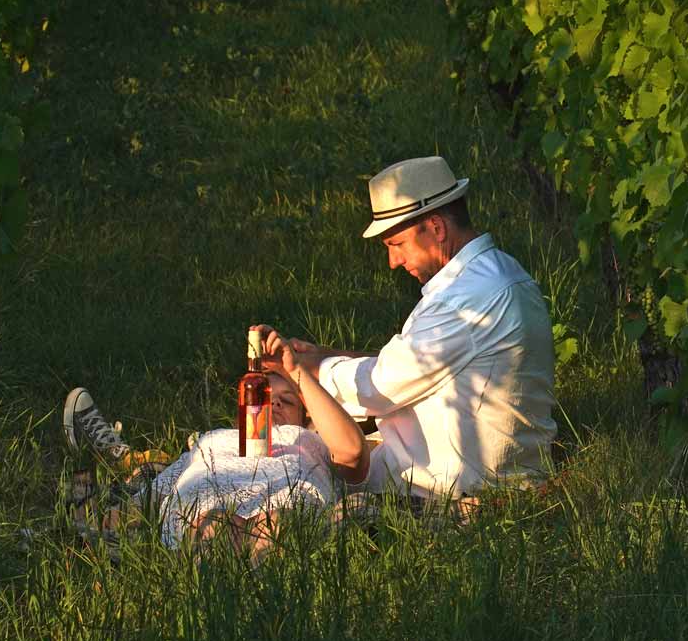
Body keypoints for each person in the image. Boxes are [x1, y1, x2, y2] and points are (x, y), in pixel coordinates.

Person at [257, 155, 557, 503]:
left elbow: (378, 388)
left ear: (436, 228)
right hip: (501, 470)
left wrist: (307, 369)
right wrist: (330, 355)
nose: (393, 262)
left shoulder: (462, 300)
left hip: (453, 486)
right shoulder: (503, 273)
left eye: (396, 244)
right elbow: (416, 363)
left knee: (301, 472)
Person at [62, 333, 369, 558]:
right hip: (207, 510)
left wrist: (297, 371)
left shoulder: (311, 440)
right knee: (215, 526)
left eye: (287, 401)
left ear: (305, 416)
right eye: (263, 397)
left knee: (278, 526)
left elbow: (353, 453)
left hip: (284, 508)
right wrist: (119, 516)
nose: (274, 404)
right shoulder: (214, 440)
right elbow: (161, 487)